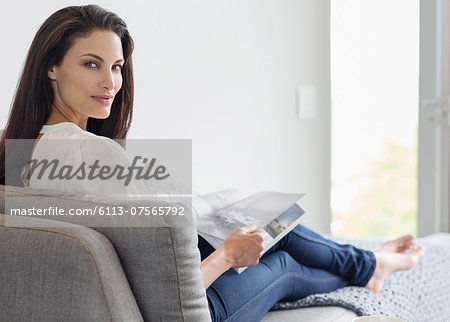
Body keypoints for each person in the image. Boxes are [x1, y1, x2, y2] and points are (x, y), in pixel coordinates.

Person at [0, 5, 425, 321]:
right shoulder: (91, 153)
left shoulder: (18, 153)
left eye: (115, 66)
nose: (110, 83)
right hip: (199, 302)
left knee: (270, 222)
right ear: (51, 67)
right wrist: (226, 255)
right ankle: (372, 268)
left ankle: (370, 263)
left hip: (168, 275)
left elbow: (140, 249)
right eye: (91, 65)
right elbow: (164, 292)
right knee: (287, 265)